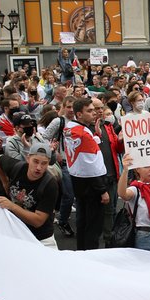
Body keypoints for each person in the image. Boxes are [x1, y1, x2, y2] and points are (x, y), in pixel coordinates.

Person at [64, 97, 111, 250]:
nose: (94, 114)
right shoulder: (84, 134)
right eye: (89, 111)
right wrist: (102, 190)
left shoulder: (70, 128)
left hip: (78, 181)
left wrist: (95, 134)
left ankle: (82, 253)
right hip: (92, 186)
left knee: (82, 222)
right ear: (79, 114)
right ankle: (91, 258)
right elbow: (93, 165)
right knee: (93, 227)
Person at [0, 143, 59, 248]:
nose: (39, 167)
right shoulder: (17, 167)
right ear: (28, 158)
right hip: (16, 230)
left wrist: (11, 206)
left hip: (41, 237)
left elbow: (38, 221)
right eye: (35, 161)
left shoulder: (50, 185)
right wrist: (4, 182)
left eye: (44, 163)